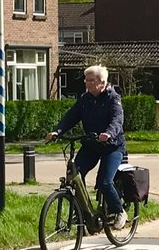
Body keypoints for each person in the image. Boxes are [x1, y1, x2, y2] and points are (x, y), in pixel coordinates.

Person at [46, 64, 127, 228]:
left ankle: (119, 211)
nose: (87, 83)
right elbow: (71, 117)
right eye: (86, 79)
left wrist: (109, 133)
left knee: (104, 182)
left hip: (112, 147)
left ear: (102, 82)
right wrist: (57, 132)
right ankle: (83, 213)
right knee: (75, 176)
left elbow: (117, 119)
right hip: (91, 145)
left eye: (91, 80)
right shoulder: (85, 99)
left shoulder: (113, 98)